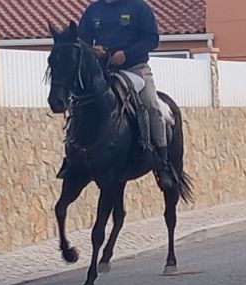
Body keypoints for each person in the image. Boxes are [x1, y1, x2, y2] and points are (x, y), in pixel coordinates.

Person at [55, 0, 176, 190]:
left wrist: (126, 54)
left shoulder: (139, 8)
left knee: (152, 105)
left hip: (135, 68)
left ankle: (163, 162)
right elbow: (82, 38)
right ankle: (73, 158)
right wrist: (92, 50)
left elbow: (152, 39)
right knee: (80, 104)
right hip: (102, 71)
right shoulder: (94, 10)